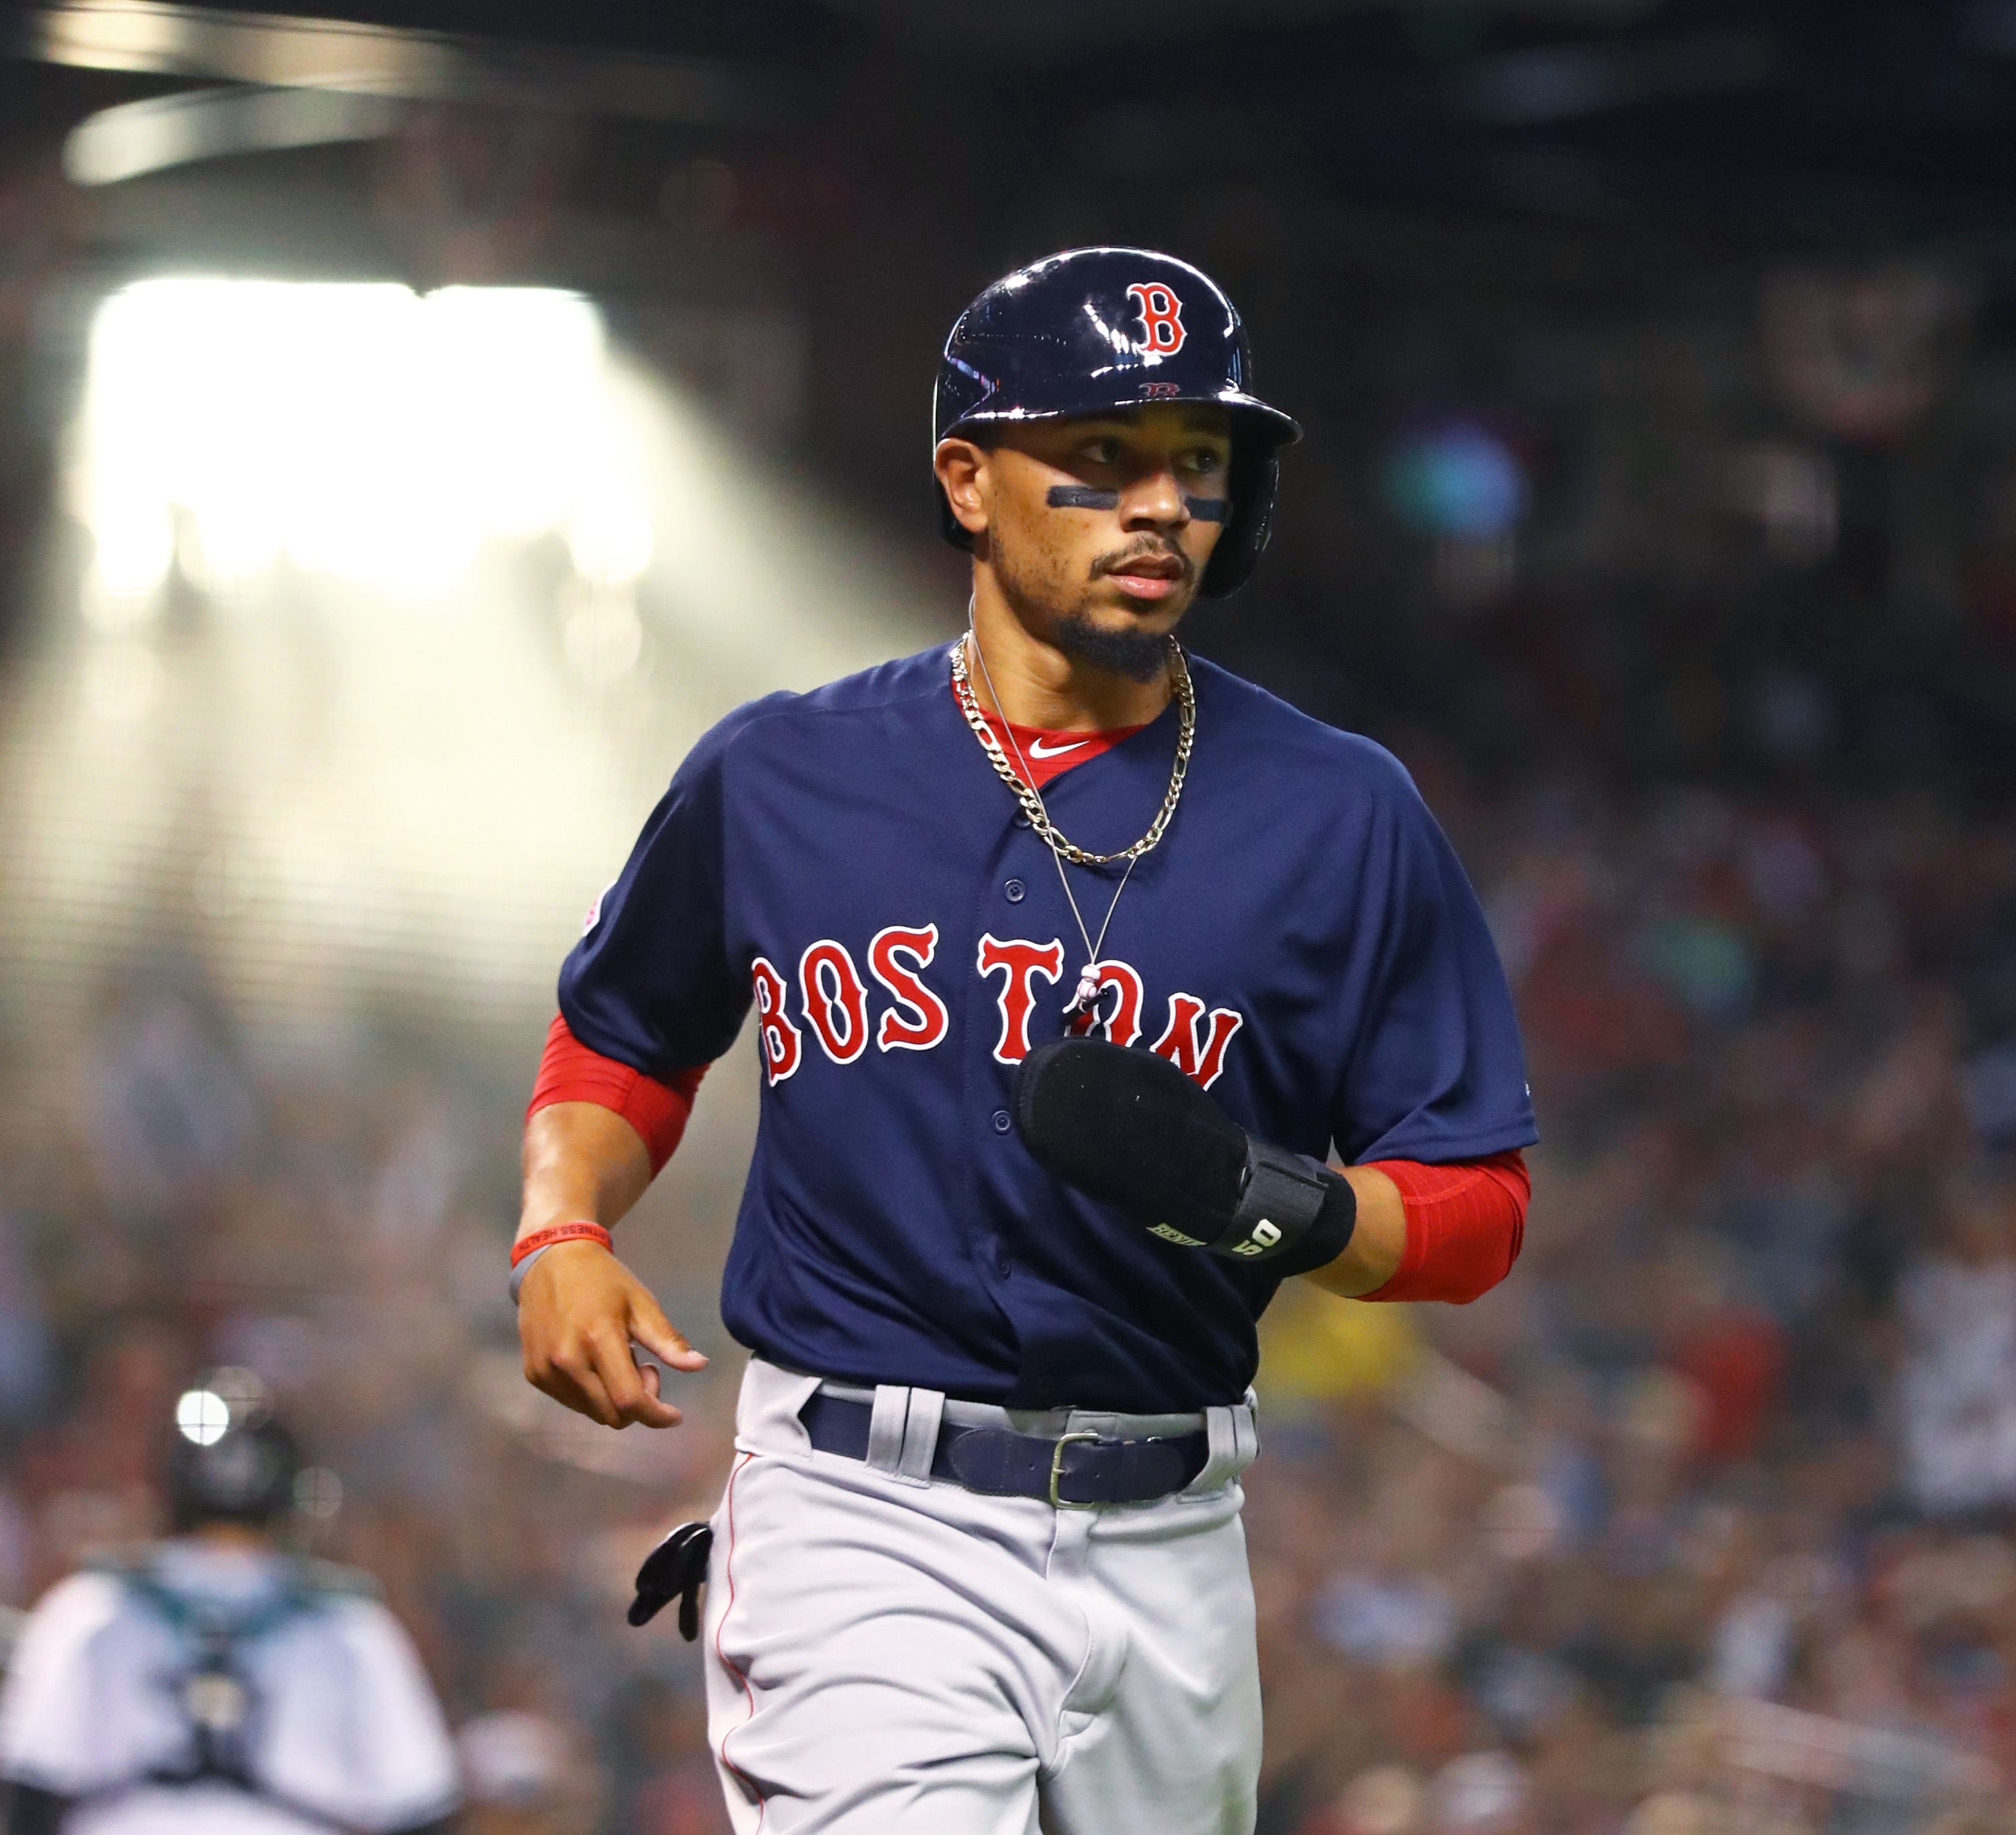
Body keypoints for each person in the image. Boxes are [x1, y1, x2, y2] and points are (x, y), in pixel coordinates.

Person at [512, 247, 1538, 1834]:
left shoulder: (1340, 814)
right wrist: (561, 1226)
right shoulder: (786, 774)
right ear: (970, 480)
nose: (1158, 506)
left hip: (1174, 1534)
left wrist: (1284, 1206)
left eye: (1197, 464)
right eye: (1102, 458)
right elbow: (622, 1038)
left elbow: (1476, 1203)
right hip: (864, 1512)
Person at [0, 1373, 461, 1835]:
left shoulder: (89, 1608)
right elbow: (421, 1810)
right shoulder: (352, 1626)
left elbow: (23, 1790)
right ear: (292, 1498)